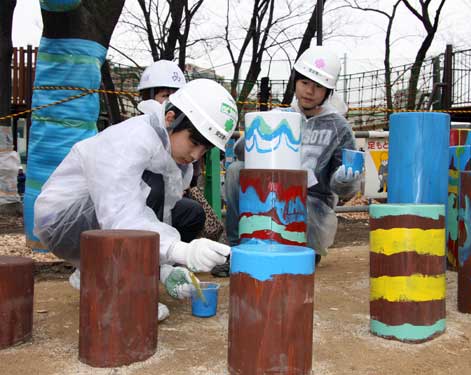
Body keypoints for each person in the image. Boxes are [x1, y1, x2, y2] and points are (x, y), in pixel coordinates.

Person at [34, 79, 239, 321]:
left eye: (204, 150)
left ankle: (99, 271)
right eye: (194, 143)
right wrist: (179, 250)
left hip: (101, 218)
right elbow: (121, 214)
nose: (196, 155)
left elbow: (162, 216)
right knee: (153, 184)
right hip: (65, 221)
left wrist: (165, 269)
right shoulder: (131, 139)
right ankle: (119, 287)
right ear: (171, 118)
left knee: (190, 212)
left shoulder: (171, 153)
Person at [223, 45, 361, 270]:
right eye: (305, 82)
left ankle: (299, 247)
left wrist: (345, 179)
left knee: (293, 258)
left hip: (310, 208)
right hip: (270, 194)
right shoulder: (281, 116)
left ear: (328, 92)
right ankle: (237, 247)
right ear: (295, 81)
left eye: (318, 87)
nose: (309, 91)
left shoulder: (339, 127)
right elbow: (243, 155)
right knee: (236, 170)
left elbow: (344, 190)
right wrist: (255, 133)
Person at [138, 60, 207, 244]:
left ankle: (172, 256)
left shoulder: (181, 131)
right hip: (134, 206)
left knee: (193, 212)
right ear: (147, 98)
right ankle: (143, 252)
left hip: (166, 203)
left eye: (176, 96)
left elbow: (189, 175)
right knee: (156, 186)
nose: (171, 102)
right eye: (165, 95)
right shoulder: (137, 131)